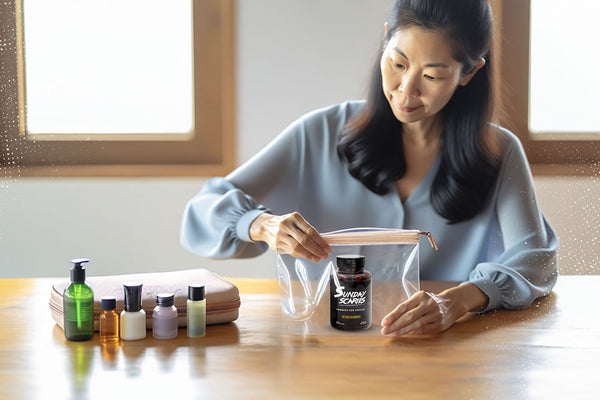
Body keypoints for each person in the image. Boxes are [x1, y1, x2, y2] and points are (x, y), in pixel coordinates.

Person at [180, 0, 558, 337]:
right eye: (397, 63)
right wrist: (262, 225)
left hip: (447, 352)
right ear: (385, 39)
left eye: (432, 76)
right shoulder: (321, 131)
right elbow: (202, 209)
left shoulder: (500, 151)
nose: (406, 90)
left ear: (469, 73)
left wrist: (456, 301)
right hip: (322, 348)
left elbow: (536, 260)